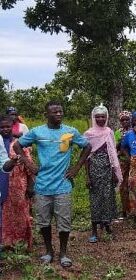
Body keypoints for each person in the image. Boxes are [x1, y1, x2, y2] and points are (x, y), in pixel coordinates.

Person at [14, 101, 91, 268]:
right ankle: (49, 251)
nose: (59, 114)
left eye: (60, 111)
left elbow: (87, 146)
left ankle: (63, 253)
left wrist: (76, 168)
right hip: (42, 186)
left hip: (63, 185)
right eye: (55, 112)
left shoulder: (70, 132)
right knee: (44, 222)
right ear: (46, 115)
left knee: (64, 222)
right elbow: (17, 145)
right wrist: (29, 164)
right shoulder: (37, 132)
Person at [84, 104, 122, 243]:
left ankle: (107, 224)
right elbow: (86, 157)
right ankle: (94, 229)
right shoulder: (88, 134)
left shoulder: (109, 132)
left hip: (107, 170)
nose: (100, 119)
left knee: (108, 197)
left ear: (106, 117)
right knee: (95, 199)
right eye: (98, 116)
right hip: (94, 170)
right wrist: (87, 176)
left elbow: (112, 153)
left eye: (103, 116)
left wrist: (113, 172)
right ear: (94, 118)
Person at [0, 115, 35, 251]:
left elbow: (29, 165)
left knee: (22, 213)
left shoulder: (19, 144)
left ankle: (23, 243)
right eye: (2, 127)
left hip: (19, 184)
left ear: (12, 127)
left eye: (7, 126)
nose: (5, 129)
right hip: (3, 184)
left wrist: (31, 185)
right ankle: (8, 243)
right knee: (6, 215)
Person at [115, 111, 132, 218]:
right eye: (123, 120)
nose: (125, 121)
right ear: (120, 121)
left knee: (133, 185)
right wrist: (120, 142)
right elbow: (114, 147)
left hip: (134, 161)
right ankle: (125, 210)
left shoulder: (134, 131)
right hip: (122, 161)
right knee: (123, 186)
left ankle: (134, 209)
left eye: (127, 119)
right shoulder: (118, 132)